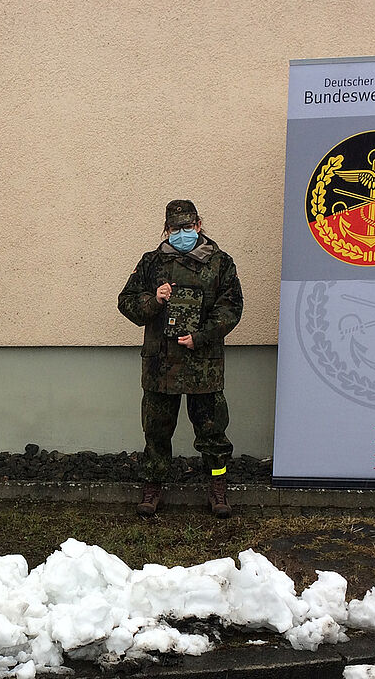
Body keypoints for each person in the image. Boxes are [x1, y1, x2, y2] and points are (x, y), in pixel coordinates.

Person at [118, 200, 243, 518]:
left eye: (188, 227)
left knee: (212, 432)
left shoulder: (220, 263)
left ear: (199, 225)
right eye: (176, 228)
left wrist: (200, 337)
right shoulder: (151, 263)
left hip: (203, 365)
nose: (183, 233)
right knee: (156, 431)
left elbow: (231, 308)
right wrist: (154, 300)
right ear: (167, 229)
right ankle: (153, 486)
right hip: (162, 365)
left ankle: (217, 488)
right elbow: (127, 302)